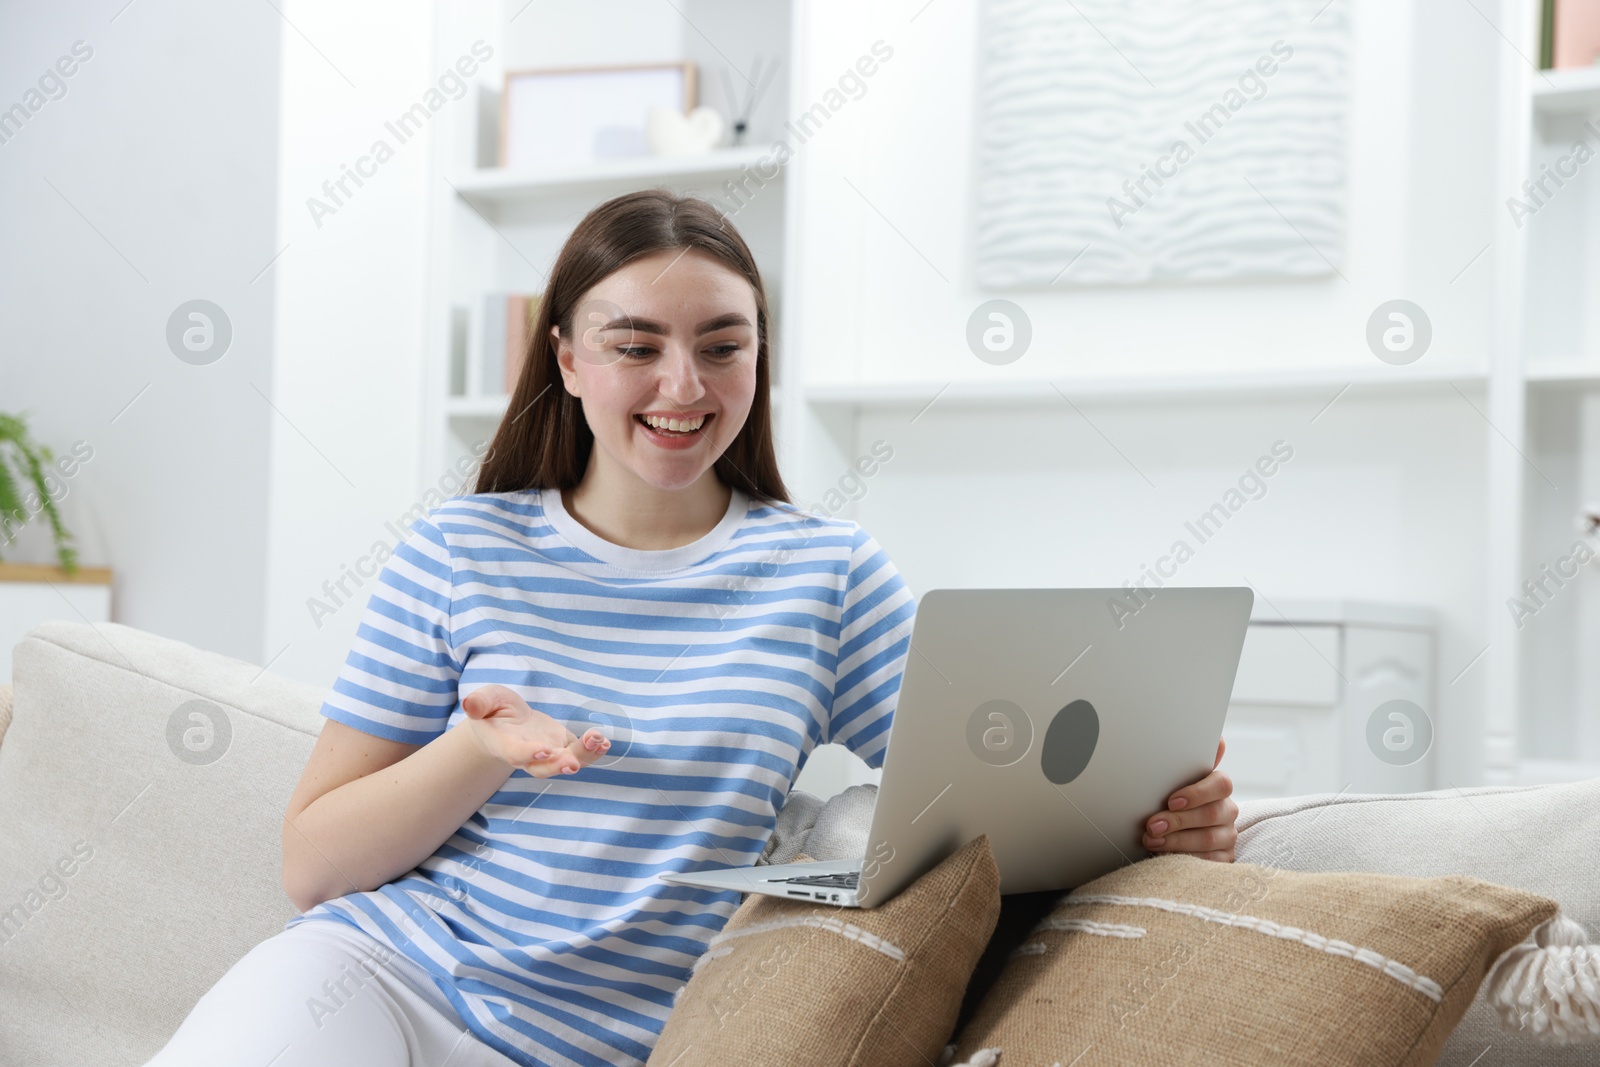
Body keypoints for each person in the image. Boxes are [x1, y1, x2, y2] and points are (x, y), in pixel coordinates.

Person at [144, 190, 1239, 1067]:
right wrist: (474, 750)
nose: (683, 384)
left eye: (723, 345)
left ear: (758, 362)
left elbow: (982, 811)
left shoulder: (828, 574)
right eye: (635, 345)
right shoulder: (456, 550)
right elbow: (311, 864)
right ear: (567, 360)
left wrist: (1156, 823)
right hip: (383, 977)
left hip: (627, 1038)